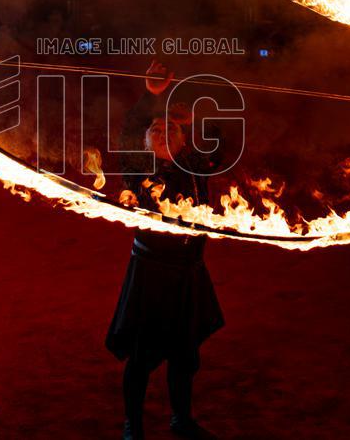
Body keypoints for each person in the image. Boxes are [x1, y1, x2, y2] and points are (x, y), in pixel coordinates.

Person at [106, 61, 225, 439]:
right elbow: (129, 129)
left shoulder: (195, 164)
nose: (161, 131)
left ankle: (181, 420)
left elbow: (220, 142)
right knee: (142, 357)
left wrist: (194, 118)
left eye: (170, 128)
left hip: (189, 272)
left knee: (185, 355)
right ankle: (133, 426)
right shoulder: (138, 169)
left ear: (184, 141)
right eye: (155, 129)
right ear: (144, 144)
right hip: (152, 275)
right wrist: (150, 96)